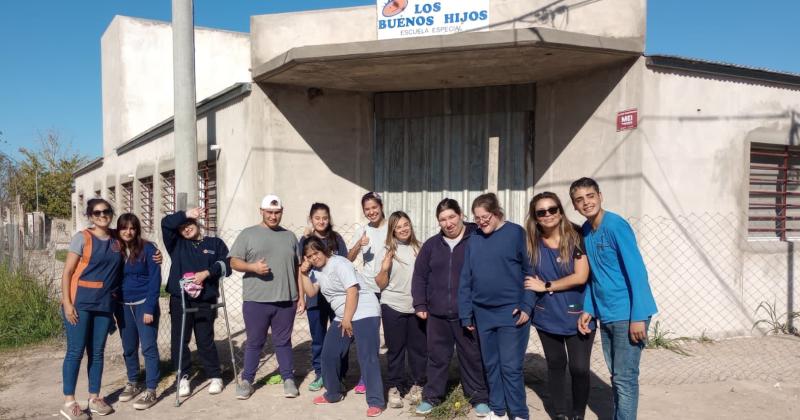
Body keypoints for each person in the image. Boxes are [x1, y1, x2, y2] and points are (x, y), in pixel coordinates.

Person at [570, 177, 658, 420]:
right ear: (575, 206)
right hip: (607, 312)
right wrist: (589, 307)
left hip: (628, 313)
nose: (586, 202)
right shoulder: (587, 230)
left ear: (600, 196)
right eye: (579, 200)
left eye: (590, 196)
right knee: (617, 376)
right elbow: (595, 276)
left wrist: (638, 316)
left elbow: (637, 272)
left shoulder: (616, 226)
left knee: (625, 379)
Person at [458, 193, 534, 420]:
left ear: (497, 212)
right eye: (477, 218)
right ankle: (498, 410)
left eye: (485, 217)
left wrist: (527, 305)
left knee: (510, 366)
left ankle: (519, 413)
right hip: (482, 313)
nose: (481, 222)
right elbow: (466, 279)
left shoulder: (515, 233)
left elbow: (529, 271)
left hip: (511, 312)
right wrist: (466, 314)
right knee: (491, 364)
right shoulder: (474, 240)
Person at [412, 198, 490, 417]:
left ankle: (479, 398)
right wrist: (419, 303)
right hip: (437, 314)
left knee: (472, 356)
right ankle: (431, 397)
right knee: (437, 357)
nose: (448, 223)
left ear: (461, 215)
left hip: (468, 313)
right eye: (443, 219)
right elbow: (419, 276)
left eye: (451, 217)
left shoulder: (477, 239)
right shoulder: (431, 245)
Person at [523, 192, 594, 420]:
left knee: (580, 368)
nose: (548, 215)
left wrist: (546, 285)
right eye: (541, 212)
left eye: (552, 209)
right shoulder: (531, 243)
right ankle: (561, 413)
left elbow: (581, 276)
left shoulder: (576, 237)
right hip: (546, 315)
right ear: (535, 217)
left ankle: (578, 413)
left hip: (578, 314)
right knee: (555, 364)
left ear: (560, 211)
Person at [299, 237, 385, 417]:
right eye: (309, 256)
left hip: (364, 311)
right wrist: (304, 274)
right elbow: (311, 292)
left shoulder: (339, 263)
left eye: (316, 252)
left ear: (324, 250)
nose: (314, 257)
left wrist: (347, 319)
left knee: (367, 356)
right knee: (329, 354)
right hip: (343, 315)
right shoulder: (316, 271)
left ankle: (376, 401)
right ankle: (333, 393)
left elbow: (352, 291)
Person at [229, 194, 301, 399]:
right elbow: (234, 262)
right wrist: (252, 267)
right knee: (254, 342)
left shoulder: (290, 237)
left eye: (277, 212)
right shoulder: (248, 234)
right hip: (256, 300)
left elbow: (297, 269)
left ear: (282, 212)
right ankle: (247, 381)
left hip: (286, 300)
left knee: (283, 342)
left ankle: (288, 379)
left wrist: (300, 296)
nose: (273, 216)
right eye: (269, 212)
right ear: (261, 211)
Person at [59, 198, 122, 419]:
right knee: (75, 352)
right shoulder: (82, 238)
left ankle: (94, 398)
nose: (102, 215)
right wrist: (67, 303)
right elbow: (67, 273)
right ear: (90, 216)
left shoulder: (117, 238)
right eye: (97, 213)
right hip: (79, 304)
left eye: (106, 212)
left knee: (97, 353)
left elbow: (139, 246)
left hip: (104, 304)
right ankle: (69, 403)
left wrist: (156, 254)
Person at [162, 206, 231, 398]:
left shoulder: (215, 243)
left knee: (204, 338)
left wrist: (207, 273)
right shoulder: (176, 244)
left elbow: (227, 264)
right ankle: (182, 377)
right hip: (180, 298)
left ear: (197, 223)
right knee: (180, 338)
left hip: (205, 299)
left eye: (189, 224)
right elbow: (165, 224)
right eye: (182, 227)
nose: (186, 229)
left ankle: (215, 375)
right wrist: (185, 214)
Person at [375, 211, 426, 409]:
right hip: (393, 306)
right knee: (395, 350)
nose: (403, 229)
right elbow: (380, 284)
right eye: (398, 226)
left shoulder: (419, 248)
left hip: (416, 308)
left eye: (406, 224)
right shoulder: (387, 250)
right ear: (392, 230)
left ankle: (417, 385)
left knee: (418, 350)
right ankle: (395, 386)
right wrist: (385, 267)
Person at [297, 203, 348, 392]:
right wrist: (301, 297)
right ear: (311, 219)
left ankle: (340, 375)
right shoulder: (304, 241)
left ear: (329, 219)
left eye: (325, 218)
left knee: (340, 337)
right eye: (317, 218)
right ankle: (320, 374)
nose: (321, 221)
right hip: (314, 297)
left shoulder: (336, 239)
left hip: (336, 298)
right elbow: (300, 270)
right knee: (318, 338)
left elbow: (345, 263)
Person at [115, 213, 162, 410]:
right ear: (118, 230)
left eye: (132, 228)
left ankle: (151, 389)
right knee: (128, 348)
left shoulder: (148, 249)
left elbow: (155, 279)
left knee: (148, 347)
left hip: (144, 303)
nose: (128, 231)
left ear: (137, 230)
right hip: (122, 305)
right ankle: (134, 382)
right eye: (124, 228)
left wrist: (150, 307)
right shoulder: (113, 249)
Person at [346, 191, 387, 394]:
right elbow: (348, 258)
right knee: (369, 337)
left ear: (381, 206)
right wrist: (357, 245)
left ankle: (395, 376)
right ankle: (365, 377)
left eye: (374, 207)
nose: (371, 212)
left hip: (391, 289)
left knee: (393, 337)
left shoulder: (393, 227)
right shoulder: (363, 231)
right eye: (367, 209)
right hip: (370, 290)